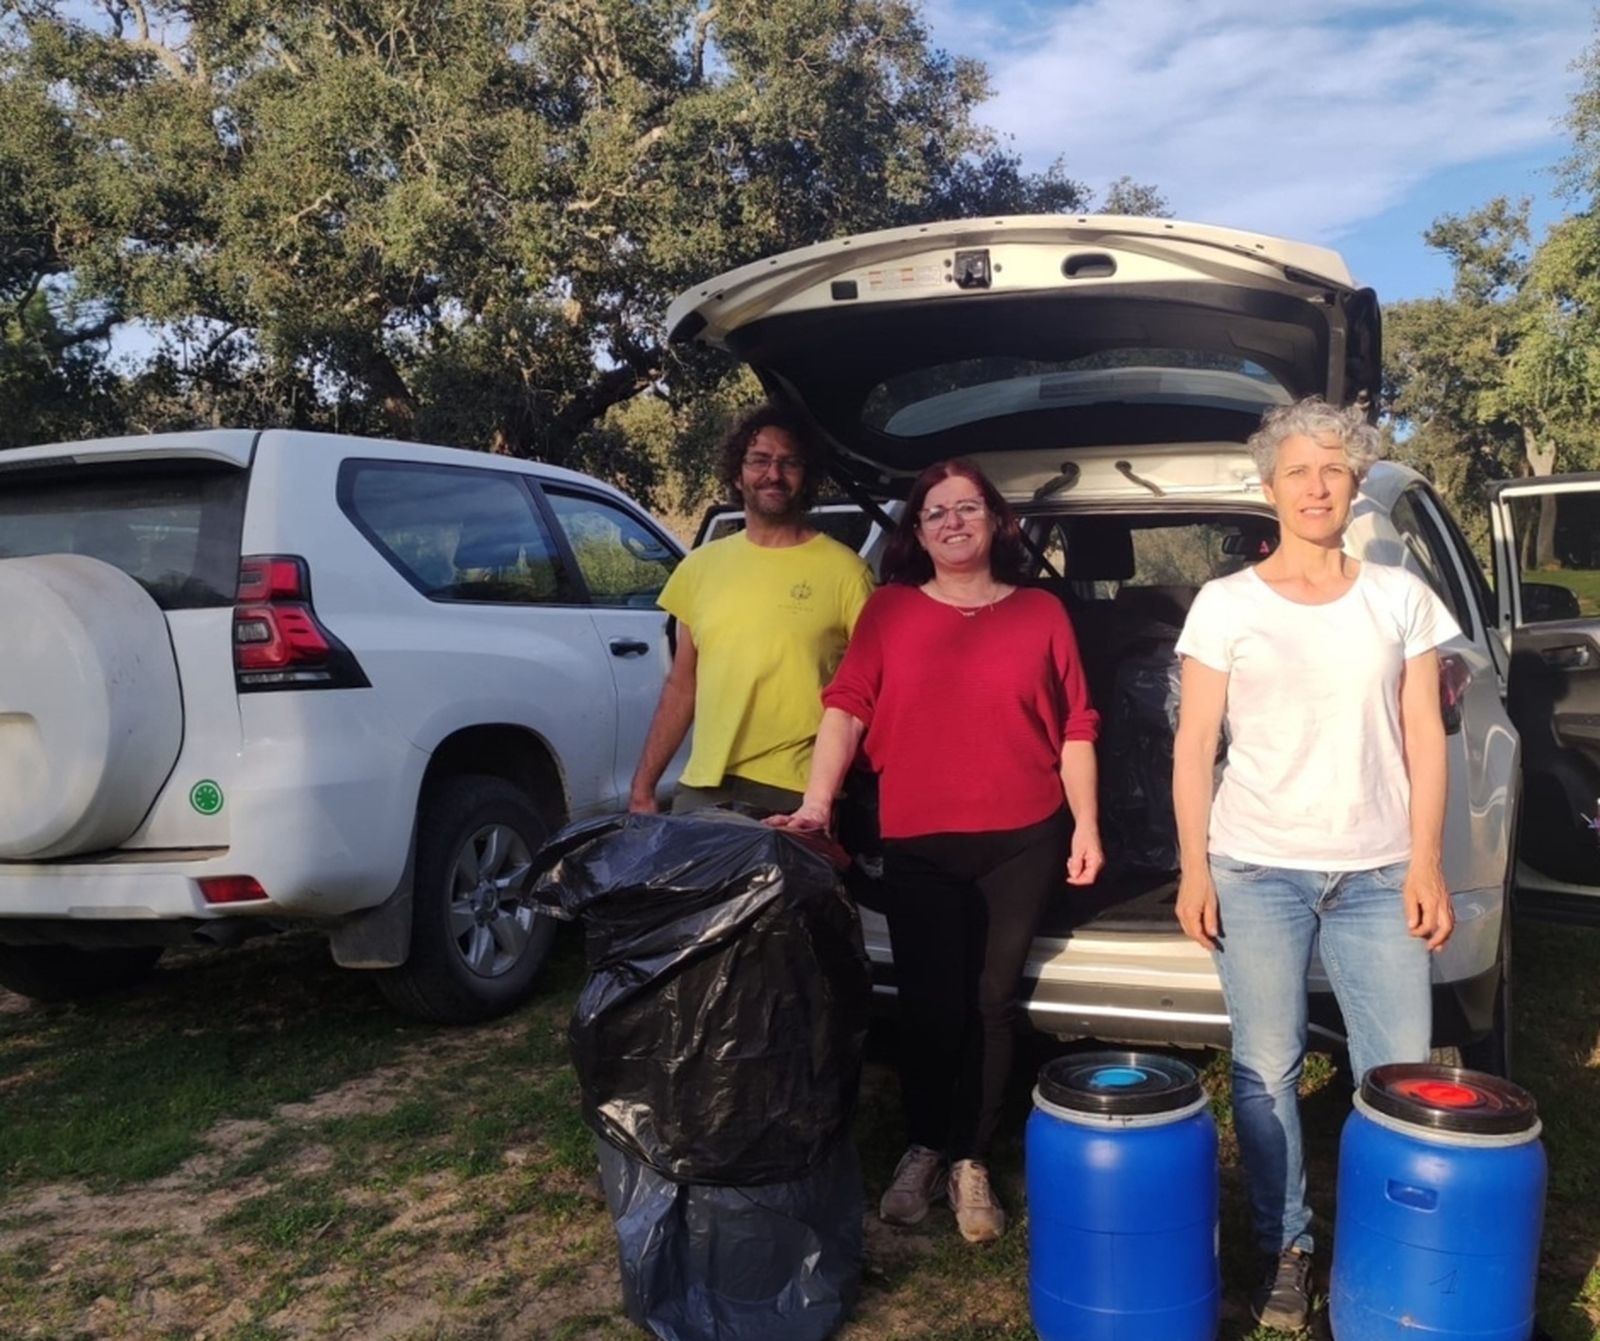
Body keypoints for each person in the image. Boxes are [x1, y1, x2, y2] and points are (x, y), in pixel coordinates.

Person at [1172, 396, 1459, 1332]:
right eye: (1298, 469)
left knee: (1398, 1073)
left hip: (1378, 873)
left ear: (1357, 482)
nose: (1317, 485)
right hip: (1256, 868)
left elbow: (1426, 737)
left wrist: (1426, 863)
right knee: (1265, 1068)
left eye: (1334, 467)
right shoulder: (1226, 604)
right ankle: (1286, 1245)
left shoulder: (1401, 597)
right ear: (1270, 488)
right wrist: (1193, 868)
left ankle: (1389, 1246)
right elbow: (1195, 746)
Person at [773, 458, 1103, 1243]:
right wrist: (817, 803)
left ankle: (970, 1158)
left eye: (968, 507)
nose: (953, 522)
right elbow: (847, 707)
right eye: (936, 512)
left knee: (992, 1001)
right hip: (919, 839)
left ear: (995, 520)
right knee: (929, 1003)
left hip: (1023, 837)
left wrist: (1087, 825)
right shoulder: (889, 611)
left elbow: (1076, 727)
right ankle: (924, 1146)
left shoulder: (1042, 612)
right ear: (918, 533)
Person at [629, 405, 874, 815]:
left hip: (798, 794)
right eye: (759, 460)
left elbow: (868, 696)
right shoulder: (699, 567)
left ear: (807, 476)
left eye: (789, 462)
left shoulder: (848, 573)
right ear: (736, 474)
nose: (773, 474)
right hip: (704, 786)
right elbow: (682, 686)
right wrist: (643, 788)